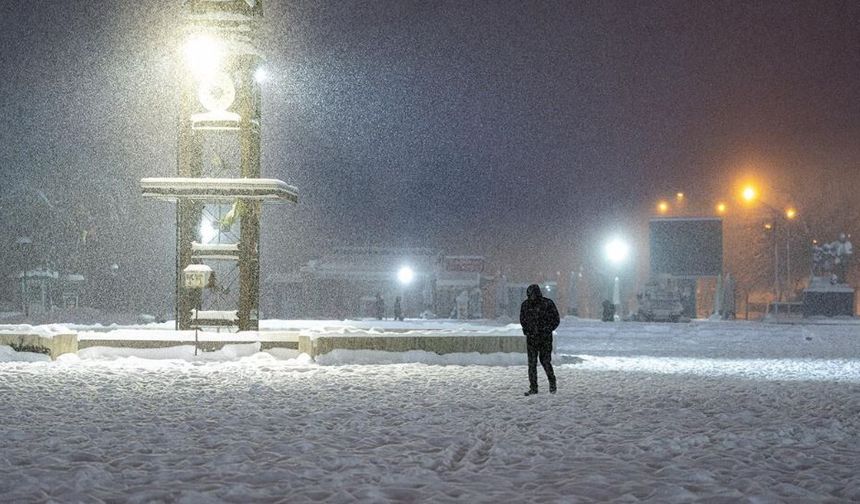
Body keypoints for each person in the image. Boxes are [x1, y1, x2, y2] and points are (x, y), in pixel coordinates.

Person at [519, 284, 560, 395]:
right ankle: (533, 388)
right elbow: (523, 320)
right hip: (532, 338)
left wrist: (546, 329)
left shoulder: (547, 304)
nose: (531, 296)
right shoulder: (526, 305)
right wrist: (527, 330)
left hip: (544, 338)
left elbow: (556, 319)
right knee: (532, 363)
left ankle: (552, 383)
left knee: (545, 361)